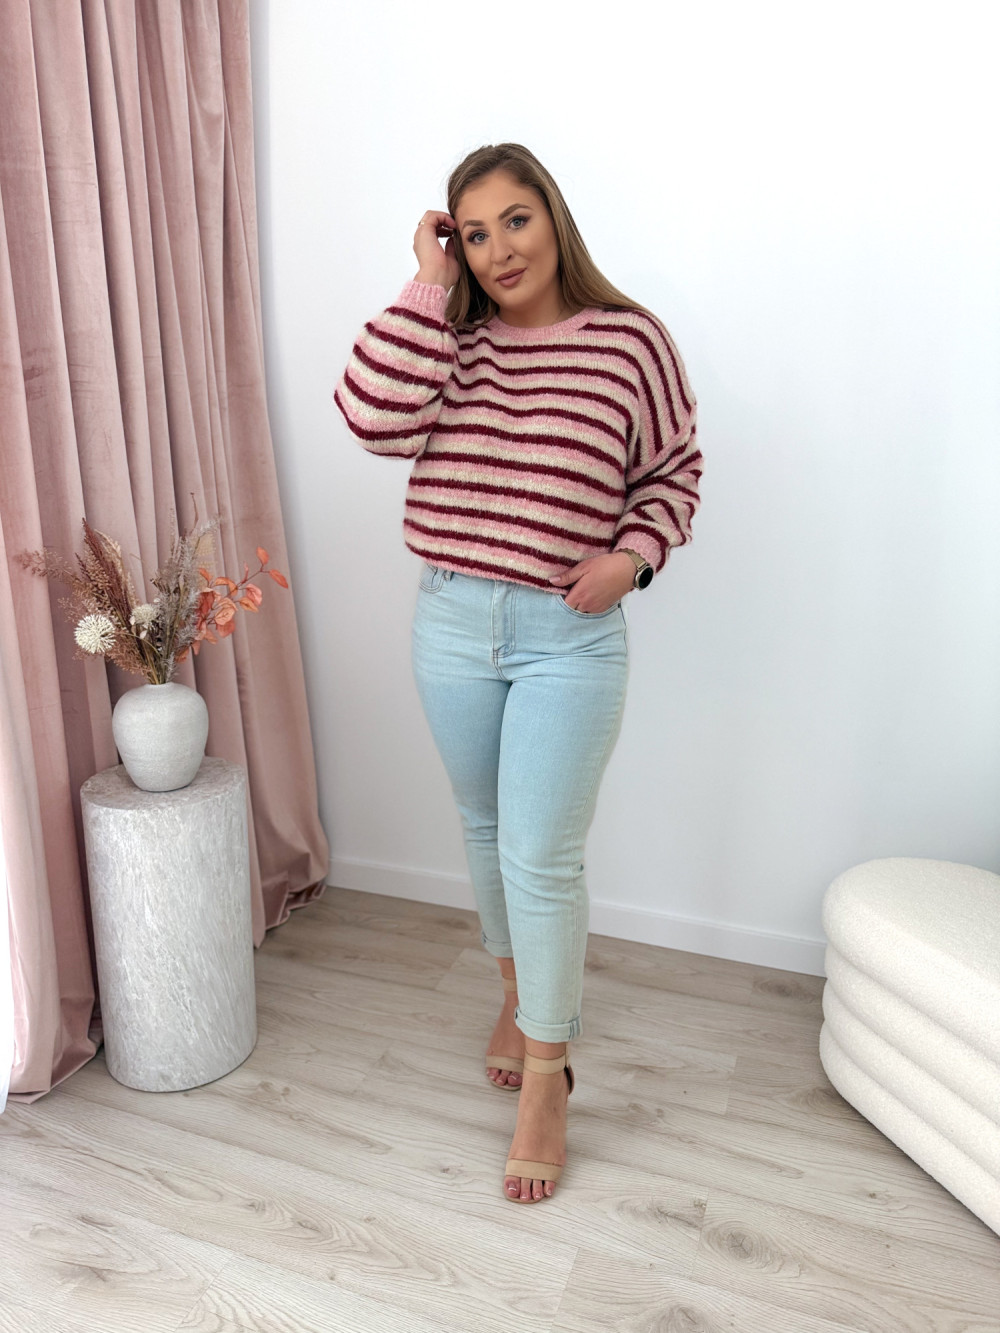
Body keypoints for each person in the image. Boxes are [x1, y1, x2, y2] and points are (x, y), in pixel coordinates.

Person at [334, 143, 701, 1205]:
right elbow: (371, 419)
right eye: (475, 232)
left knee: (540, 854)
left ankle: (548, 1074)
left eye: (516, 220)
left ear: (554, 217)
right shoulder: (449, 344)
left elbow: (672, 470)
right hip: (451, 619)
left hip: (566, 634)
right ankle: (514, 989)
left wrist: (632, 559)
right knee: (485, 825)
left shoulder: (629, 340)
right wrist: (427, 283)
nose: (499, 248)